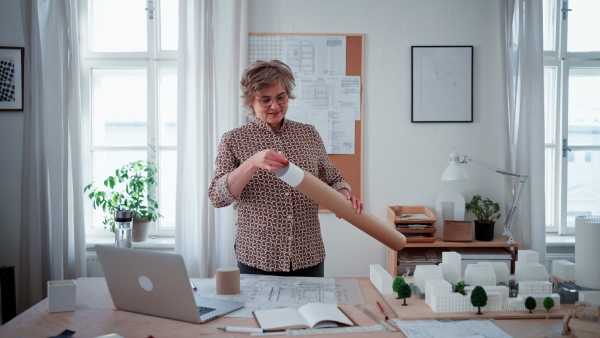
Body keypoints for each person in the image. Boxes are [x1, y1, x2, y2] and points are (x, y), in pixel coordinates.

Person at [209, 60, 363, 277]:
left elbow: (333, 179)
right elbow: (217, 197)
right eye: (265, 100)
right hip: (258, 255)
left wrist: (344, 197)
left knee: (311, 312)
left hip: (308, 253)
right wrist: (251, 163)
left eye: (280, 97)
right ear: (251, 101)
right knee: (257, 312)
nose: (275, 106)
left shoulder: (308, 134)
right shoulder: (234, 139)